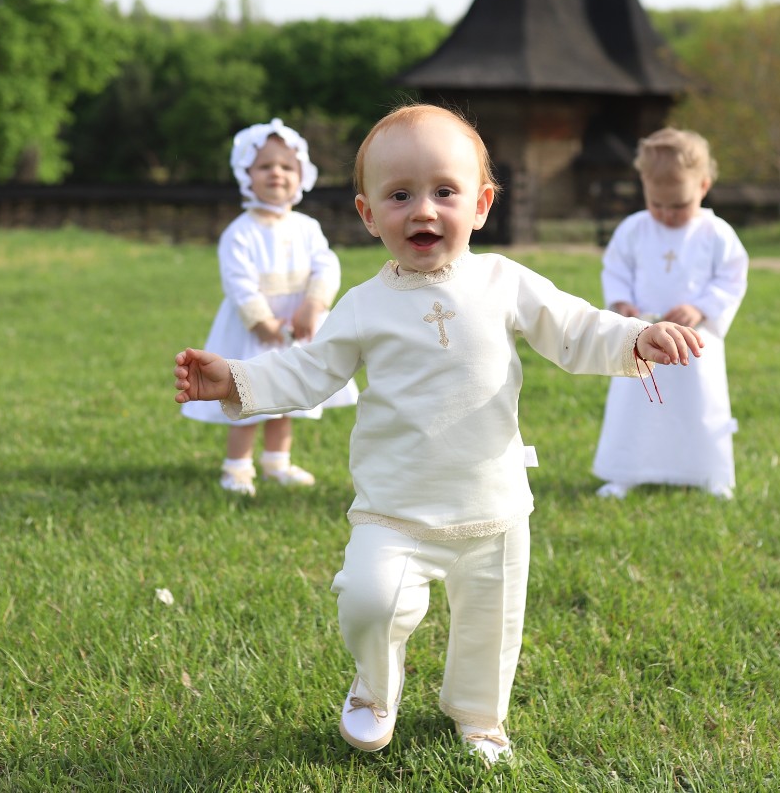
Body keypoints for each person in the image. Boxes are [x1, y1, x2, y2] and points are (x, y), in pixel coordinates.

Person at [175, 104, 702, 765]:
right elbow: (308, 370)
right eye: (400, 196)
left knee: (490, 624)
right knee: (370, 601)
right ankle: (375, 685)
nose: (423, 210)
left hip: (492, 505)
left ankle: (479, 716)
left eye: (444, 192)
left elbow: (574, 328)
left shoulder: (504, 282)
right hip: (396, 508)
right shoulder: (364, 305)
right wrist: (236, 380)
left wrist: (637, 337)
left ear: (481, 205)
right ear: (369, 214)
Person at [180, 118, 357, 496]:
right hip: (254, 332)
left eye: (286, 166)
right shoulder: (240, 232)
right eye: (265, 166)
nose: (276, 173)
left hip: (299, 323)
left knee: (286, 396)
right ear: (246, 174)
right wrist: (261, 321)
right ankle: (237, 467)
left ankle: (277, 461)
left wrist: (315, 303)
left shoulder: (307, 227)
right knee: (246, 395)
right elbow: (238, 281)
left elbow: (326, 265)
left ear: (302, 175)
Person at [593, 128, 749, 500]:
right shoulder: (633, 230)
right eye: (657, 203)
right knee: (635, 405)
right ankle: (626, 470)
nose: (666, 214)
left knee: (700, 403)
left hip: (696, 342)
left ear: (703, 186)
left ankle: (709, 472)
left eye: (678, 205)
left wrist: (701, 307)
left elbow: (732, 277)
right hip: (642, 337)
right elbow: (616, 269)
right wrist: (621, 303)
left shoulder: (716, 233)